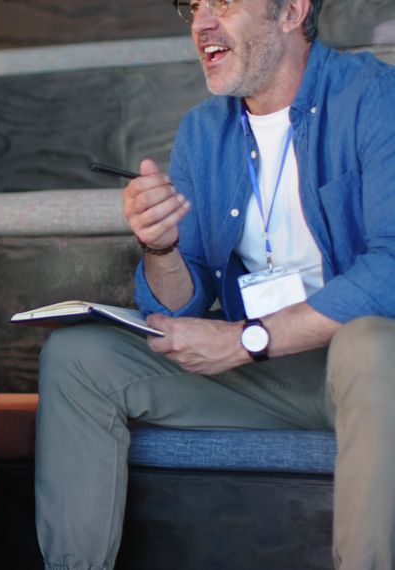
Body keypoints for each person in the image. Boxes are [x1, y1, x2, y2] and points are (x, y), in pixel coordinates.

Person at [34, 0, 395, 568]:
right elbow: (183, 302)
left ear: (291, 11)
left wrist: (246, 339)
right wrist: (160, 246)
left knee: (369, 343)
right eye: (194, 5)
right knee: (78, 357)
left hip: (365, 370)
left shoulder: (374, 96)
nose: (201, 23)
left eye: (223, 2)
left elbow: (390, 270)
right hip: (272, 375)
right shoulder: (205, 130)